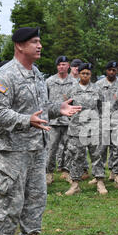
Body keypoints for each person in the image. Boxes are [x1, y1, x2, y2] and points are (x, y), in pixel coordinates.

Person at [0, 26, 82, 235]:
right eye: (34, 42)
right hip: (13, 149)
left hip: (37, 148)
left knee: (36, 197)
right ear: (20, 45)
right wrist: (25, 120)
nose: (39, 46)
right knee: (11, 197)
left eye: (40, 41)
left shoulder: (36, 73)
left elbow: (41, 105)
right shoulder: (6, 75)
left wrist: (57, 108)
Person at [65, 62, 108, 196]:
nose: (85, 76)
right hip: (76, 129)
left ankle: (100, 181)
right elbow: (67, 108)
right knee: (76, 156)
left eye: (87, 73)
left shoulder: (97, 89)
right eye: (83, 73)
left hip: (93, 129)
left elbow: (102, 108)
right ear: (78, 74)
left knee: (97, 155)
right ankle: (75, 184)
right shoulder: (71, 90)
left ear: (90, 75)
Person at [91, 60, 118, 187]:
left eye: (114, 70)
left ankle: (115, 172)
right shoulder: (98, 85)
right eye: (109, 70)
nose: (112, 72)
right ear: (106, 71)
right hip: (102, 121)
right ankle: (98, 175)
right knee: (100, 149)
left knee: (116, 148)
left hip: (117, 121)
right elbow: (94, 103)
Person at [45, 56, 76, 185]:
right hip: (53, 121)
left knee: (70, 148)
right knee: (51, 148)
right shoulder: (49, 81)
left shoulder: (74, 82)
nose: (61, 67)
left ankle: (68, 171)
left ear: (68, 66)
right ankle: (49, 173)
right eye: (59, 65)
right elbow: (44, 101)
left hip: (69, 121)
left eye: (64, 64)